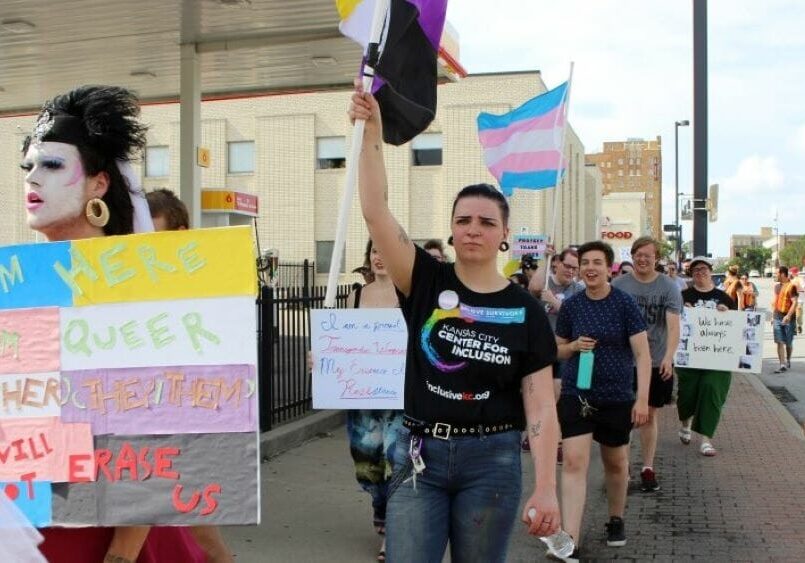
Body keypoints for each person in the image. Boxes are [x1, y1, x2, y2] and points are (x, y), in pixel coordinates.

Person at [349, 83, 561, 563]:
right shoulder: (424, 280)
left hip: (493, 460)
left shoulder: (527, 312)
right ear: (451, 227)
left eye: (487, 222)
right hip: (418, 454)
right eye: (464, 219)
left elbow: (542, 405)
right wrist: (372, 137)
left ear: (505, 234)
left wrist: (546, 487)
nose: (473, 228)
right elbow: (375, 211)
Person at [21, 85, 205, 562]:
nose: (33, 179)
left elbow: (164, 431)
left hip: (112, 534)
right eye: (29, 166)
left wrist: (123, 553)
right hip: (28, 524)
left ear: (98, 185)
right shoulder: (19, 287)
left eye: (53, 165)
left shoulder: (139, 287)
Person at [146, 189, 235, 563]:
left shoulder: (204, 286)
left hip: (186, 415)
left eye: (153, 237)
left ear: (181, 233)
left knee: (192, 514)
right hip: (141, 413)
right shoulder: (137, 281)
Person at [554, 241, 650, 552]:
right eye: (585, 263)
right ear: (579, 268)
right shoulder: (571, 305)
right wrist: (572, 348)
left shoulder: (625, 304)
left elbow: (642, 354)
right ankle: (570, 538)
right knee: (573, 461)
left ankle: (616, 517)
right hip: (576, 393)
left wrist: (642, 399)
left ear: (608, 267)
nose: (590, 268)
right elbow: (556, 349)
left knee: (616, 462)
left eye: (597, 262)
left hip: (616, 395)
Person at [346, 239, 403, 561]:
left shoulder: (410, 297)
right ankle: (379, 505)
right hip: (363, 397)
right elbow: (340, 341)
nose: (380, 257)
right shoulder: (356, 297)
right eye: (374, 251)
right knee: (366, 466)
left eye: (385, 251)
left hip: (399, 397)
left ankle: (393, 534)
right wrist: (321, 357)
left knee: (397, 459)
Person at [612, 237, 682, 493]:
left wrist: (669, 356)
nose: (642, 259)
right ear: (632, 255)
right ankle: (622, 467)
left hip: (655, 360)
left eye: (648, 255)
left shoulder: (668, 286)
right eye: (638, 254)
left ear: (657, 258)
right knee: (623, 416)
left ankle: (648, 466)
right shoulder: (619, 285)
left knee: (650, 414)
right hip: (624, 361)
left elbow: (673, 325)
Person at [676, 256, 737, 456]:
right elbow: (671, 322)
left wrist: (727, 313)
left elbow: (737, 327)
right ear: (691, 275)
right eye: (695, 270)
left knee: (711, 391)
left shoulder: (725, 298)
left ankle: (706, 440)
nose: (700, 272)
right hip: (690, 357)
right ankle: (685, 424)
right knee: (687, 395)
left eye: (703, 269)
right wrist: (683, 313)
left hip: (717, 358)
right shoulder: (682, 296)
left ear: (711, 271)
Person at [772, 266, 798, 373]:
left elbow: (795, 302)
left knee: (788, 343)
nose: (775, 275)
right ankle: (782, 364)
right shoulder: (777, 287)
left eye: (777, 273)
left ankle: (788, 360)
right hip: (777, 316)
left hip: (789, 318)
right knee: (779, 341)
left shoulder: (792, 286)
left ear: (782, 274)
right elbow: (775, 301)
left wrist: (788, 316)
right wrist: (773, 317)